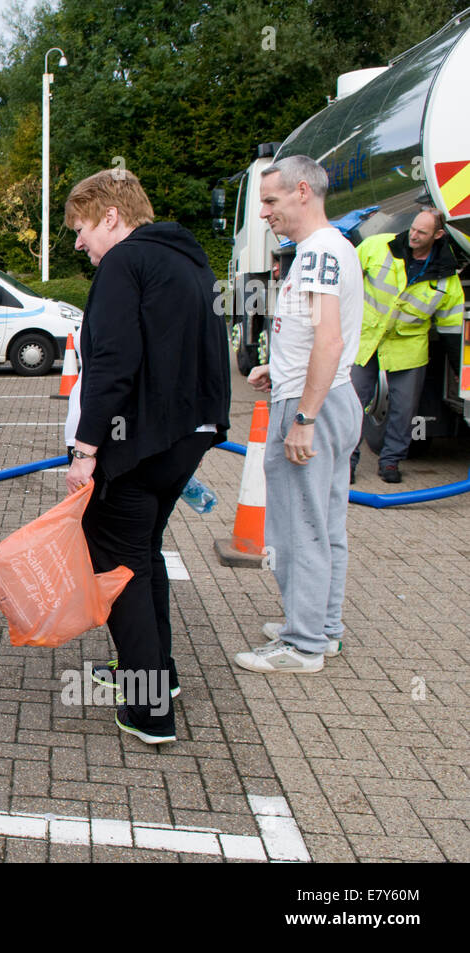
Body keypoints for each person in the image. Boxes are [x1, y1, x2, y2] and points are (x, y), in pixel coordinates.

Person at [63, 169, 230, 745]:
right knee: (144, 551)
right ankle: (159, 676)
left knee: (119, 563)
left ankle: (149, 708)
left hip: (136, 445)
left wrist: (85, 451)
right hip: (187, 435)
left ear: (110, 216)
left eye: (81, 228)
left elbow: (112, 361)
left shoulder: (123, 264)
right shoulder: (189, 260)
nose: (78, 243)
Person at [234, 155, 363, 674]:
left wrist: (304, 416)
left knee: (297, 527)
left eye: (271, 201)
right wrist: (279, 367)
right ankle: (322, 629)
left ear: (302, 191)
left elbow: (328, 340)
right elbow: (317, 336)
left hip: (315, 403)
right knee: (326, 523)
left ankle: (303, 643)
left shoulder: (315, 255)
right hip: (332, 396)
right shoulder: (332, 249)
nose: (265, 213)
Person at [350, 206, 465, 483]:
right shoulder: (378, 246)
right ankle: (346, 461)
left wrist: (461, 370)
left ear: (438, 235)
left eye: (422, 232)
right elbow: (346, 281)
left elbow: (451, 328)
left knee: (404, 410)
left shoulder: (446, 278)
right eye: (413, 228)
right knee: (353, 404)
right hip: (367, 338)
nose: (413, 235)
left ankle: (390, 462)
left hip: (408, 347)